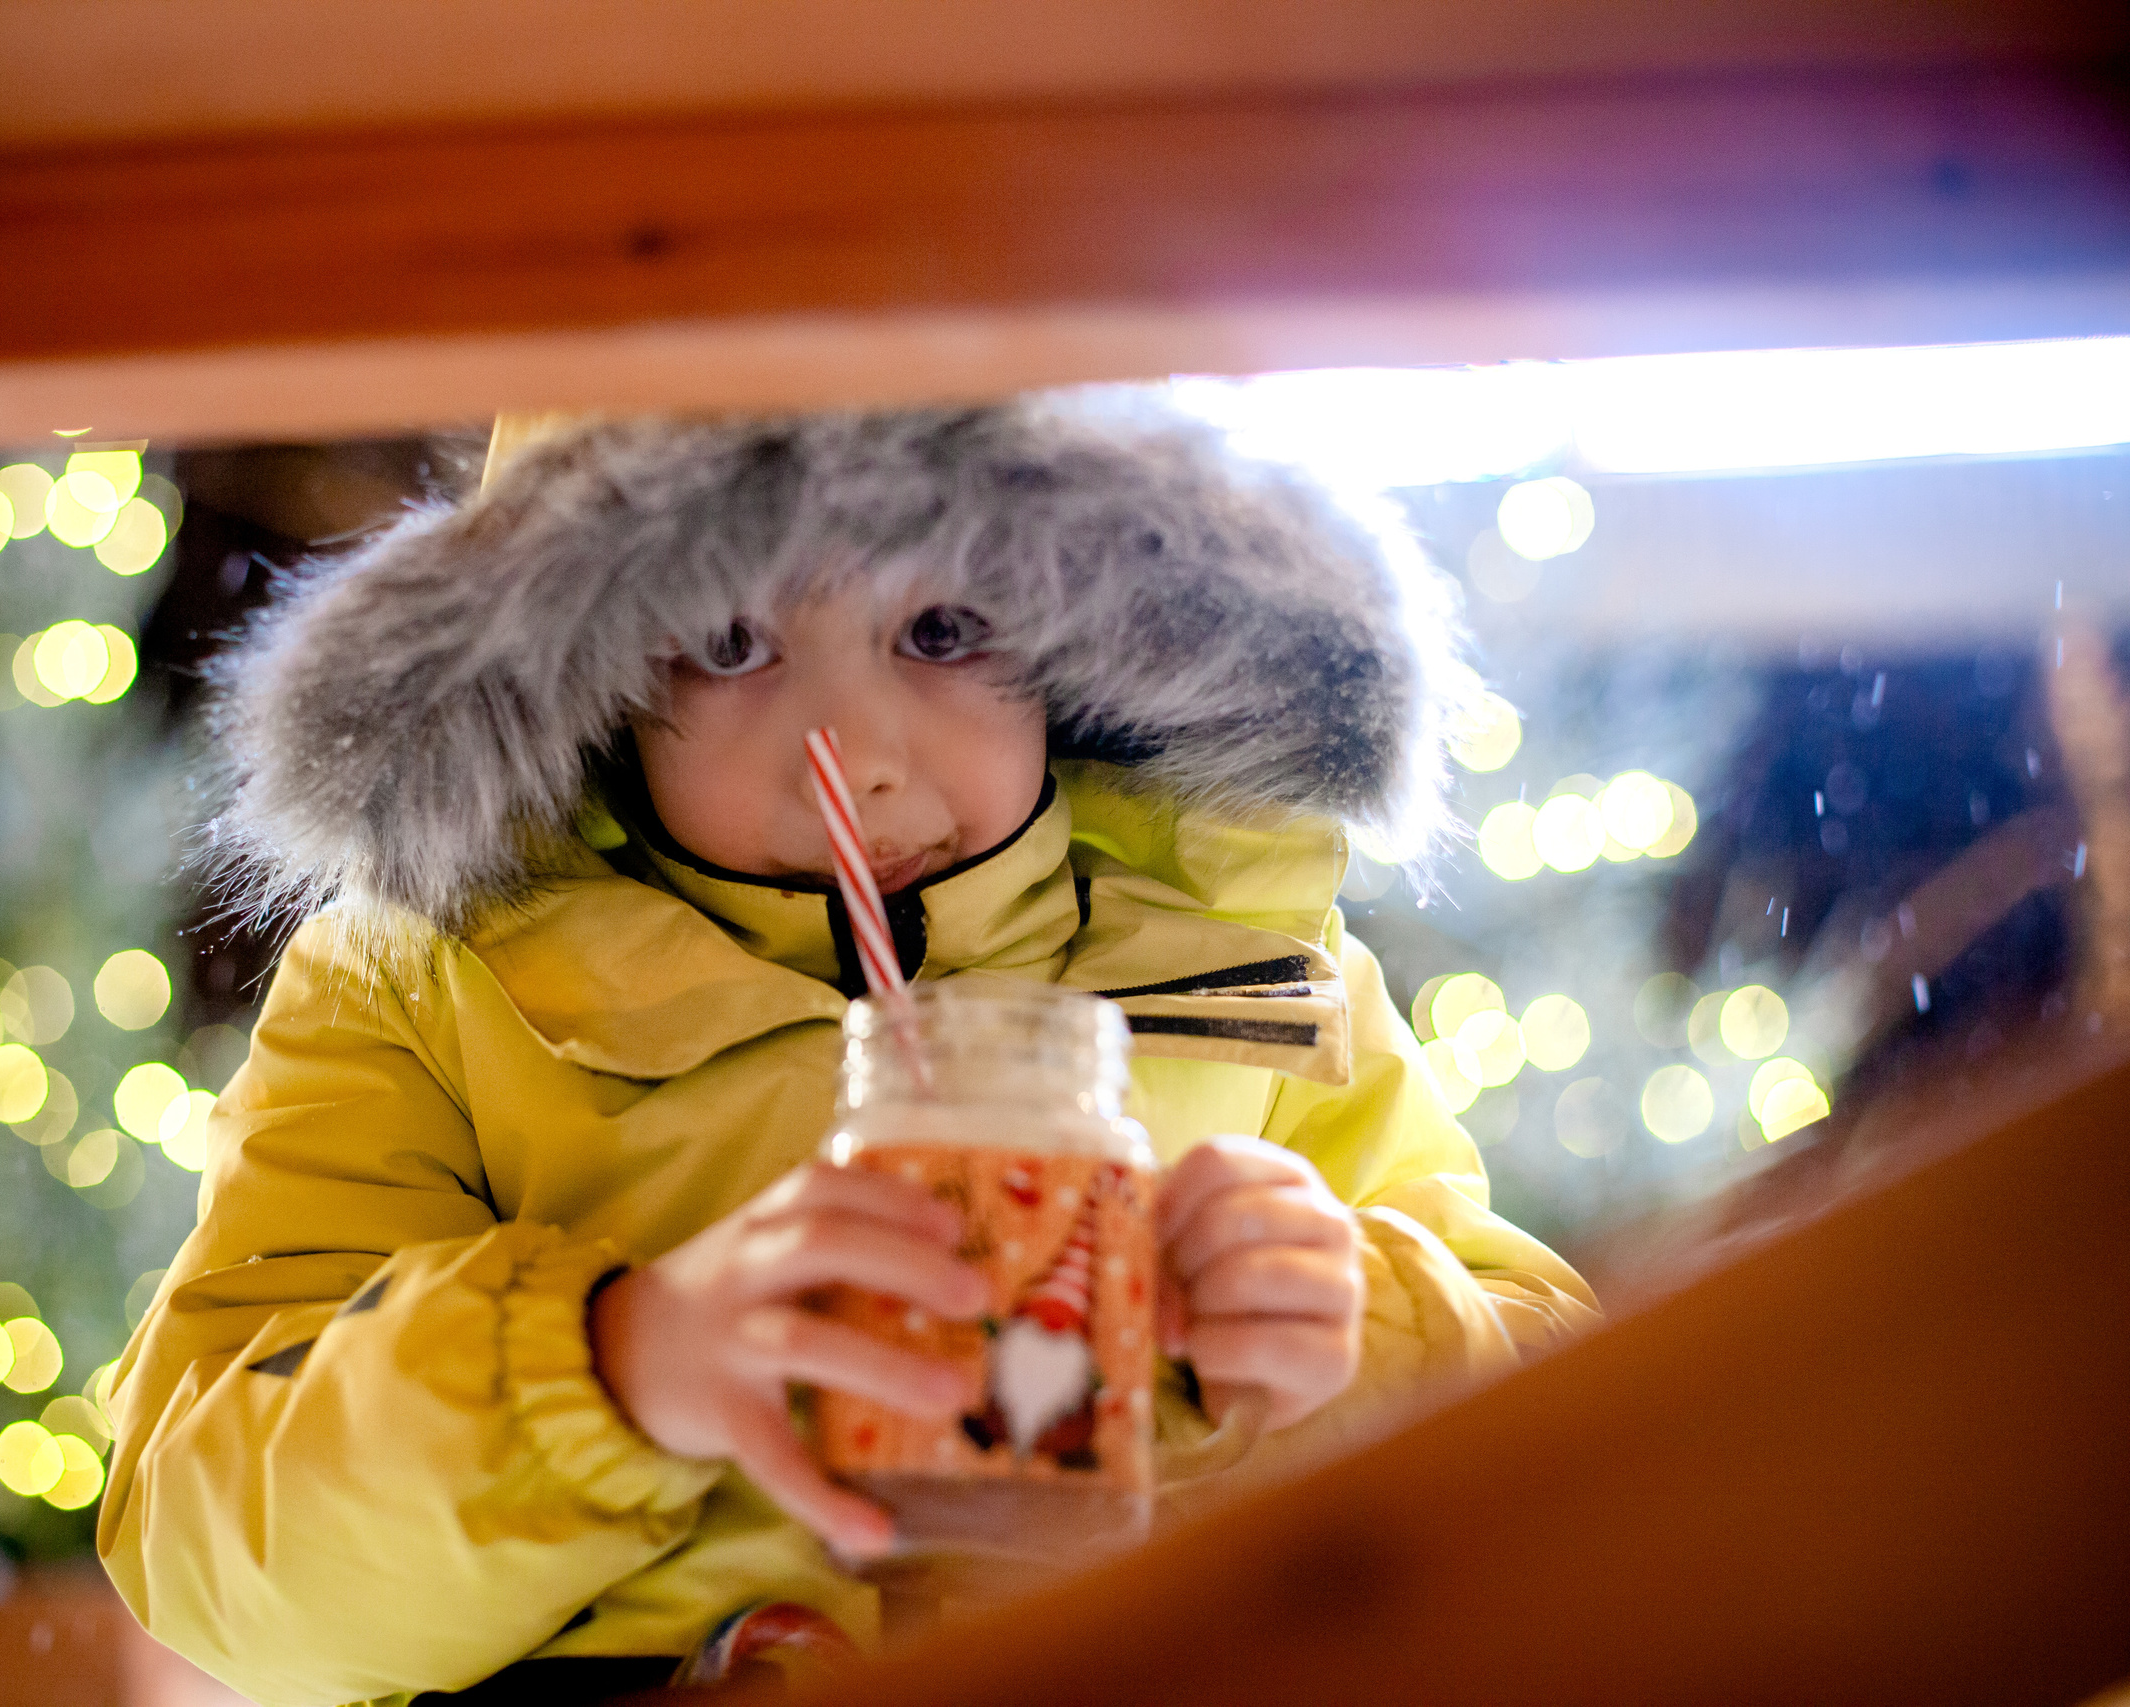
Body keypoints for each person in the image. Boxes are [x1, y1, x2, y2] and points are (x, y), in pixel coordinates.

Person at [98, 404, 1599, 1705]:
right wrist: (612, 1371)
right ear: (597, 671)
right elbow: (212, 1556)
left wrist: (1363, 1339)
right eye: (735, 642)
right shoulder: (428, 991)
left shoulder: (1238, 953)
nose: (862, 752)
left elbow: (1581, 1455)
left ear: (1078, 633)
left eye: (941, 630)